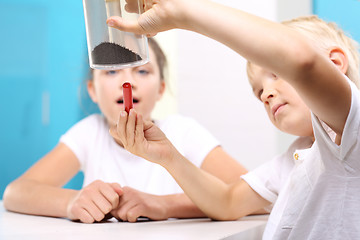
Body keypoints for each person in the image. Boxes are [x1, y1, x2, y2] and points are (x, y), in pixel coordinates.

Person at [107, 1, 360, 239]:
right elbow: (226, 202)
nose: (266, 95)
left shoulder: (352, 132)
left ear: (335, 64)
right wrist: (167, 156)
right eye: (259, 91)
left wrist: (180, 11)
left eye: (276, 72)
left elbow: (302, 60)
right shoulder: (293, 159)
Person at [2, 38, 249, 223]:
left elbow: (254, 194)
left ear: (161, 88)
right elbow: (16, 193)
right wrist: (71, 202)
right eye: (111, 71)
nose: (126, 83)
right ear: (92, 90)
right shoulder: (89, 133)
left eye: (142, 70)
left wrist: (165, 206)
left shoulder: (183, 131)